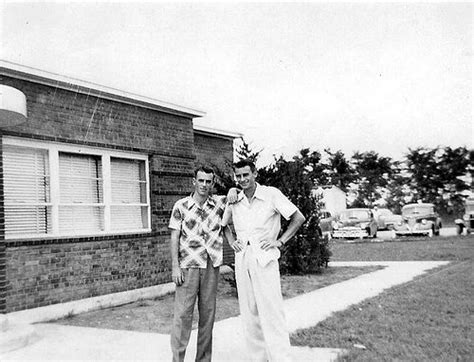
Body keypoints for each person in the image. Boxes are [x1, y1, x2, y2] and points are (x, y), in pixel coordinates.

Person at [222, 159, 305, 362]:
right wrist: (232, 241)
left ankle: (282, 359)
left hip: (265, 258)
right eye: (238, 176)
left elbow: (298, 218)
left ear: (255, 173)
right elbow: (222, 223)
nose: (242, 179)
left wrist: (280, 241)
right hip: (243, 259)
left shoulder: (271, 194)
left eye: (246, 175)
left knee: (272, 313)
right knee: (249, 314)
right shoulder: (235, 198)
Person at [169, 166, 236, 362]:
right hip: (188, 266)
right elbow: (174, 237)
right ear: (194, 181)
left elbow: (238, 194)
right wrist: (175, 266)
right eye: (201, 180)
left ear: (212, 183)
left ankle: (204, 360)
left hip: (211, 266)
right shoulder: (181, 206)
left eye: (208, 181)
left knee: (207, 316)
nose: (204, 185)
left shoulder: (219, 204)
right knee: (182, 317)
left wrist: (233, 190)